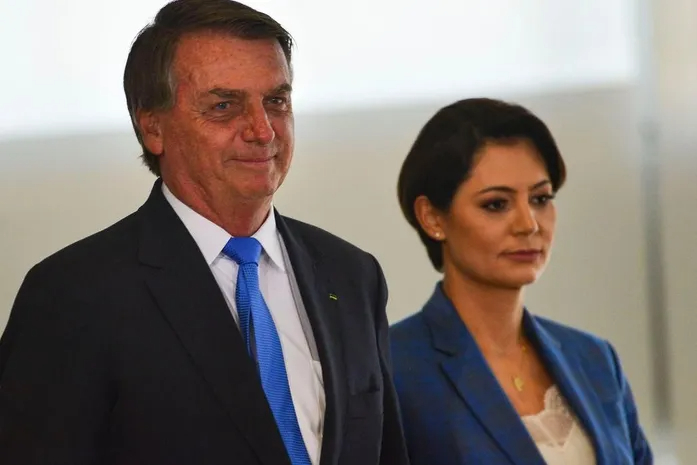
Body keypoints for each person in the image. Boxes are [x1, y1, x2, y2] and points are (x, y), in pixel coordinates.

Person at [0, 1, 409, 464]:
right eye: (224, 106)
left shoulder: (352, 275)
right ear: (152, 127)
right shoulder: (74, 295)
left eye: (276, 101)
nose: (262, 131)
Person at [389, 97, 653, 465]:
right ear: (432, 217)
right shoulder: (391, 368)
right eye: (496, 204)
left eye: (541, 198)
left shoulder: (595, 359)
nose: (528, 224)